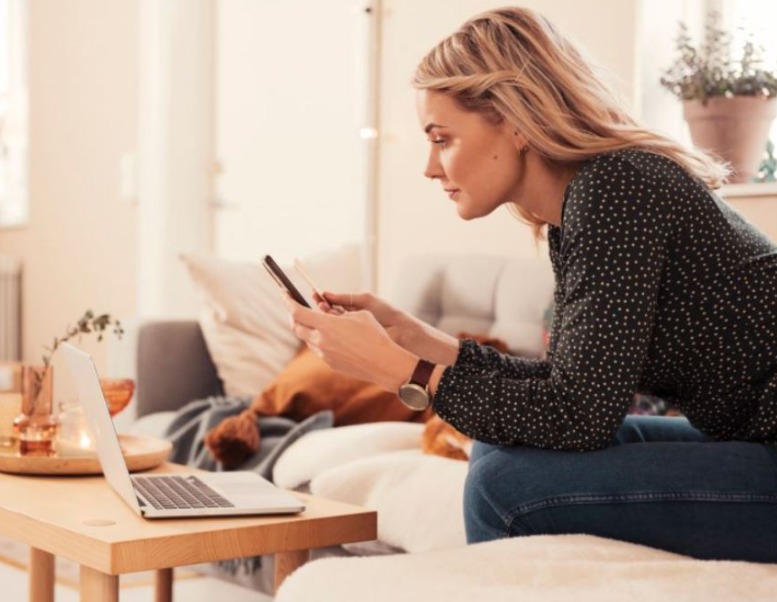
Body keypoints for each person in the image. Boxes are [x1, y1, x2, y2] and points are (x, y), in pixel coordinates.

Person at [283, 6, 777, 563]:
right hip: (751, 439)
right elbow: (568, 389)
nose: (429, 167)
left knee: (506, 489)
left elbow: (578, 416)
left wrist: (401, 372)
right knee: (500, 448)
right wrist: (417, 341)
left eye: (441, 139)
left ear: (516, 122)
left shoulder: (618, 188)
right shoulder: (585, 206)